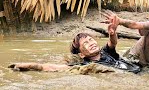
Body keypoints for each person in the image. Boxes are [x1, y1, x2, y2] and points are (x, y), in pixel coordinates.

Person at [8, 24, 140, 73]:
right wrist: (29, 65)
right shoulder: (85, 66)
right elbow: (51, 67)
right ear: (81, 54)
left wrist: (112, 33)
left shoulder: (106, 51)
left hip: (136, 69)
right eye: (86, 43)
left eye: (91, 39)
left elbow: (113, 42)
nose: (91, 42)